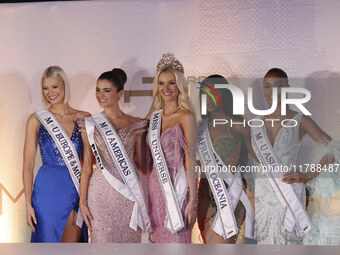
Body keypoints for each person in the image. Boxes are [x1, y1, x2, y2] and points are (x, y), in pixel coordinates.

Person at [250, 68, 335, 245]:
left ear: (287, 88)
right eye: (267, 86)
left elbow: (333, 149)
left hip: (288, 195)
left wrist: (308, 175)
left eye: (278, 86)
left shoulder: (300, 119)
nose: (272, 91)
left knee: (287, 243)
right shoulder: (255, 122)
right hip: (262, 198)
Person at [79, 68, 150, 243]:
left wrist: (142, 137)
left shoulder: (136, 124)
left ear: (120, 93)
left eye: (107, 90)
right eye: (98, 89)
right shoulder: (89, 124)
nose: (100, 95)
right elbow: (87, 166)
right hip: (99, 193)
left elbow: (143, 166)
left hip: (128, 193)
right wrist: (82, 201)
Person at [22, 66, 89, 242]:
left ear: (64, 86)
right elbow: (28, 166)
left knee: (71, 244)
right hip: (46, 192)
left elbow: (90, 163)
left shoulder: (83, 117)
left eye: (55, 86)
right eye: (45, 88)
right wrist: (28, 204)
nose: (50, 92)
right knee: (48, 243)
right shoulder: (36, 119)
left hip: (74, 190)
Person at [196, 75, 255, 243]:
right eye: (205, 93)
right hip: (205, 196)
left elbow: (259, 158)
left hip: (231, 195)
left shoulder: (237, 125)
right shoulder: (200, 127)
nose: (209, 98)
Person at [146, 53, 197, 243]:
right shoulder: (152, 117)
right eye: (161, 83)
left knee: (178, 239)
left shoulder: (185, 115)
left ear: (180, 86)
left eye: (171, 83)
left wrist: (193, 200)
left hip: (178, 186)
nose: (165, 88)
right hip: (155, 186)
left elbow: (191, 159)